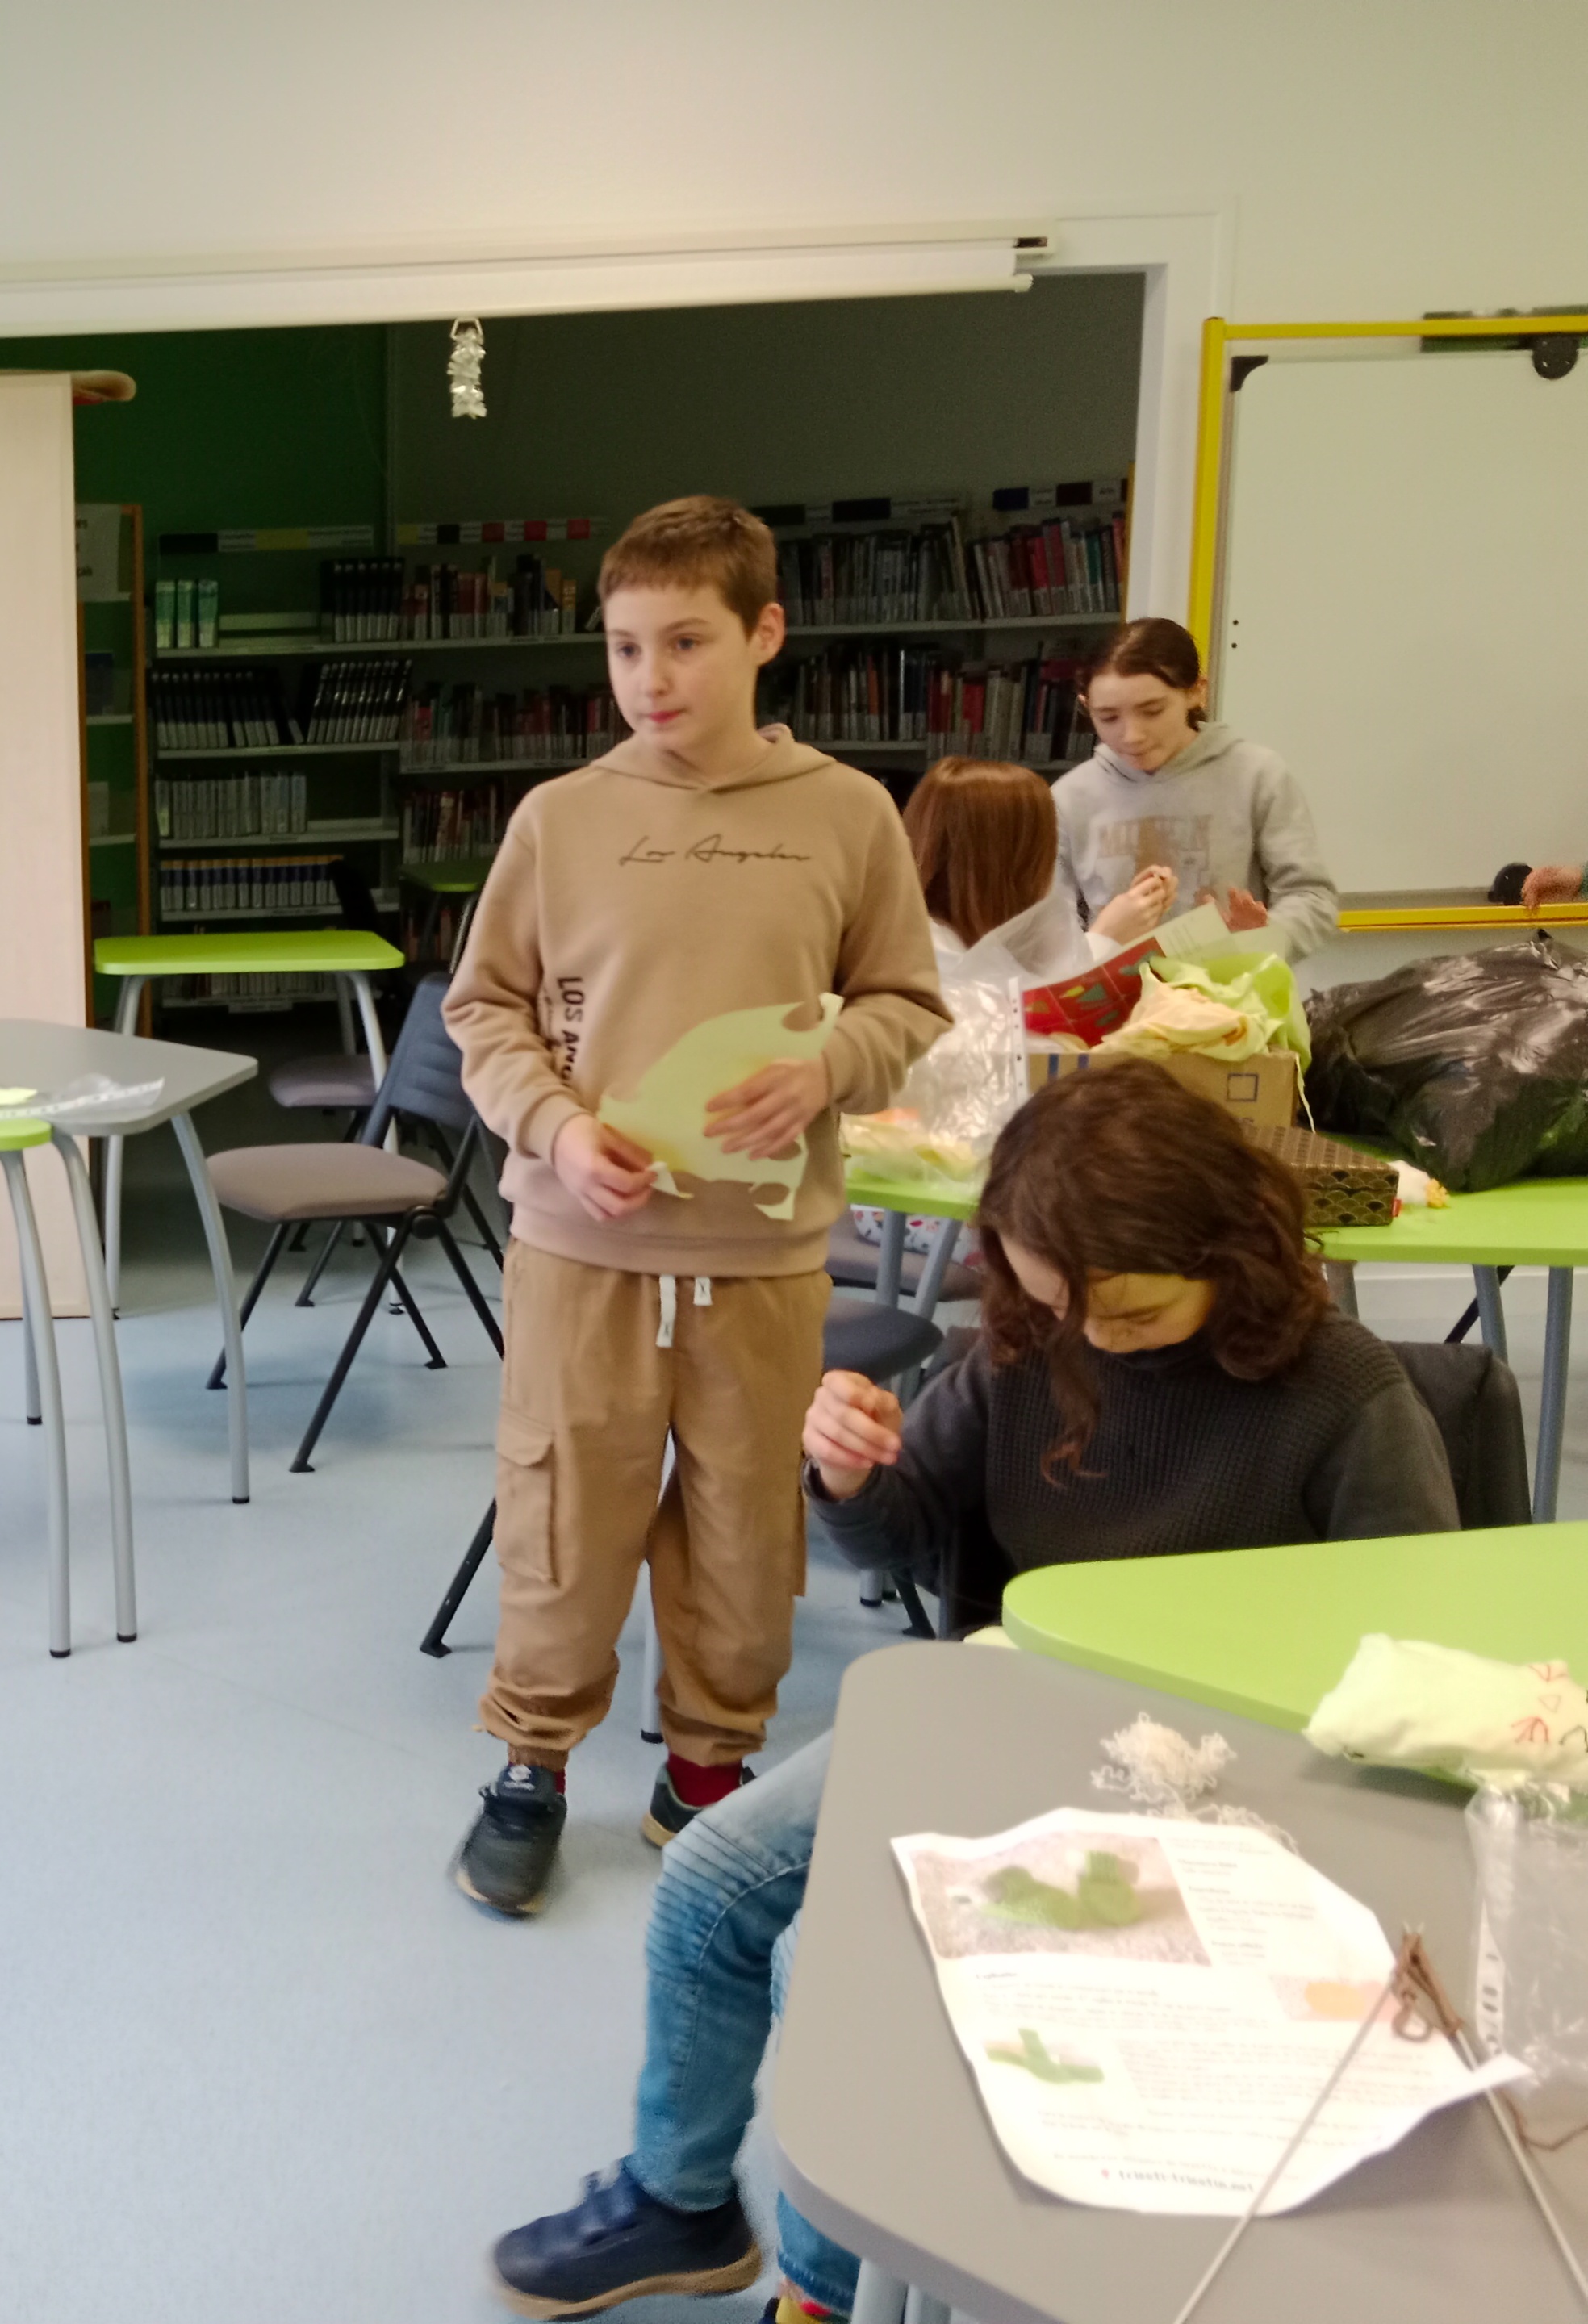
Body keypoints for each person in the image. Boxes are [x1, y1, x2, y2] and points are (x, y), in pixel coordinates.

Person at [486, 1062, 1460, 2322]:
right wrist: (848, 1475)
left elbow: (1410, 1666)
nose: (1092, 1337)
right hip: (1009, 1714)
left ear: (1228, 1253)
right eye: (1058, 1301)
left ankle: (823, 2293)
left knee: (826, 1964)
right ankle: (681, 2202)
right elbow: (908, 1534)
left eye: (1132, 1309)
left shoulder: (1344, 1396)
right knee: (710, 1878)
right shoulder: (1032, 1346)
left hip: (1221, 1791)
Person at [442, 495, 950, 1913]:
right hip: (580, 1246)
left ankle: (709, 1770)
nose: (649, 678)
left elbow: (908, 1001)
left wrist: (828, 1069)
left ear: (764, 633)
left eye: (685, 643)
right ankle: (533, 1764)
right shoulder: (560, 819)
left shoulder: (846, 814)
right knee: (564, 1507)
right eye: (623, 648)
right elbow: (485, 1009)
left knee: (743, 1521)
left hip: (764, 1256)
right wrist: (556, 1128)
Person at [1051, 615, 1338, 962]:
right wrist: (1098, 943)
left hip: (1233, 988)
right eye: (1108, 717)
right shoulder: (1069, 797)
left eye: (1152, 711)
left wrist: (1259, 943)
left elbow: (1310, 896)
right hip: (1117, 993)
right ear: (1086, 706)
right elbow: (1049, 927)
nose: (1132, 735)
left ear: (1195, 693)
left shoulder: (1255, 774)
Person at [904, 754, 1172, 987]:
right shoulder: (928, 951)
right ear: (1015, 859)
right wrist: (1107, 937)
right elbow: (1040, 1013)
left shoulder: (1013, 922)